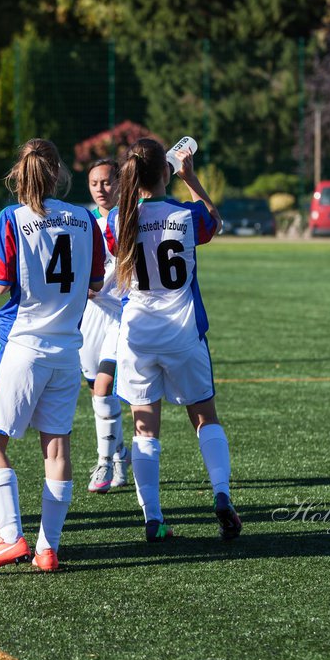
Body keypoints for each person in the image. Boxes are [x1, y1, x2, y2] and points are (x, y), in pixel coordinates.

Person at [0, 139, 104, 574]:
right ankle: (48, 548)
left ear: (19, 173)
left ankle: (11, 538)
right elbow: (95, 282)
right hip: (68, 347)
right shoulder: (85, 218)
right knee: (57, 446)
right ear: (58, 171)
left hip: (22, 344)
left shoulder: (11, 218)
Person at [105, 137, 242, 542]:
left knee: (145, 431)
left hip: (137, 337)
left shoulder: (119, 218)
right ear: (166, 171)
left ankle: (153, 517)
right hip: (184, 333)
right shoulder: (185, 214)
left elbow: (116, 247)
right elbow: (215, 220)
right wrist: (193, 179)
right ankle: (221, 493)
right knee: (205, 418)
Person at [78, 157, 129, 494]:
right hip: (91, 315)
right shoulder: (84, 223)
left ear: (120, 184)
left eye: (107, 182)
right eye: (95, 183)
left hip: (122, 313)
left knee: (103, 388)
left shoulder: (130, 220)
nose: (101, 188)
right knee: (95, 387)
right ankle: (121, 453)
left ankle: (103, 463)